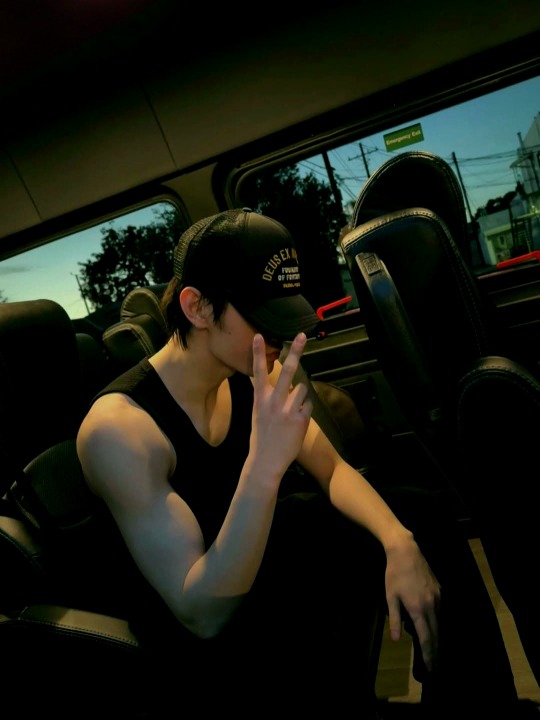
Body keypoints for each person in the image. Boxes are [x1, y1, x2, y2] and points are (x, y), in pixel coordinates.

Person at [76, 208, 529, 718]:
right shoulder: (120, 430)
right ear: (197, 307)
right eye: (264, 321)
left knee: (421, 518)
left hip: (260, 562)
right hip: (206, 627)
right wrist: (264, 465)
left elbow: (331, 470)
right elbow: (202, 613)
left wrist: (397, 542)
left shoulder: (251, 372)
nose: (282, 340)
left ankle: (484, 711)